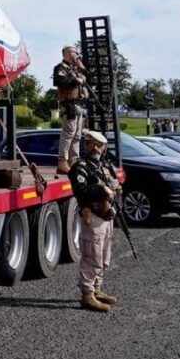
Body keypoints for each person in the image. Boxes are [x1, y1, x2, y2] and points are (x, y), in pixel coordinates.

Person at [68, 130, 120, 313]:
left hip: (106, 216)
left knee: (104, 256)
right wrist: (102, 190)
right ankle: (87, 294)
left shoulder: (104, 165)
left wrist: (113, 188)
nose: (95, 147)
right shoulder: (80, 167)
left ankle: (97, 288)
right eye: (91, 143)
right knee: (92, 256)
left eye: (99, 145)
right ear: (87, 145)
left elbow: (114, 184)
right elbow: (80, 191)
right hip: (93, 216)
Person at [52, 45, 88, 174]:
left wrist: (81, 74)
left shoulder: (75, 68)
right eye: (73, 52)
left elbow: (85, 75)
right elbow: (60, 81)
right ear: (66, 53)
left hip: (79, 103)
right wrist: (76, 80)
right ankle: (62, 162)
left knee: (77, 134)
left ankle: (74, 160)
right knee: (69, 132)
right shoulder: (60, 67)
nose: (76, 54)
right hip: (69, 104)